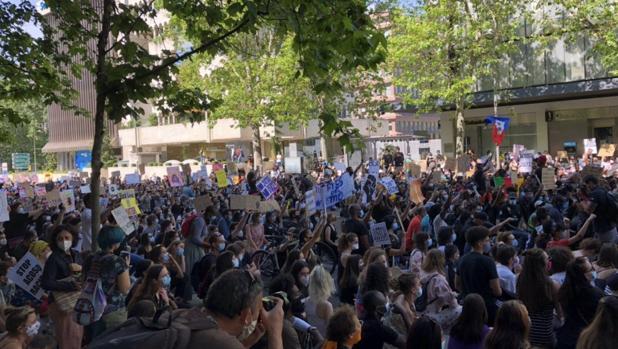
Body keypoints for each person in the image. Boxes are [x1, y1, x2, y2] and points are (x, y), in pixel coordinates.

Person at [189, 269, 284, 349]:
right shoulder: (224, 344)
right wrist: (275, 332)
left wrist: (245, 344)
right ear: (246, 316)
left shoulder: (185, 315)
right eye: (259, 309)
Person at [41, 225, 83, 349]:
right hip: (62, 305)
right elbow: (46, 282)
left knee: (76, 336)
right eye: (60, 238)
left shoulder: (76, 254)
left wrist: (80, 269)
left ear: (73, 239)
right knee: (66, 338)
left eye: (66, 237)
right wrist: (70, 285)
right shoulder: (54, 259)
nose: (64, 241)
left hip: (76, 302)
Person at [86, 225, 131, 336]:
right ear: (115, 243)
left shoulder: (91, 257)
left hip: (91, 308)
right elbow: (125, 289)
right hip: (112, 311)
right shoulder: (117, 261)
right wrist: (127, 267)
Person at [516, 248, 561, 348]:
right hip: (545, 335)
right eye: (547, 259)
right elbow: (559, 312)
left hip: (526, 333)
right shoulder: (552, 285)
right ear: (542, 264)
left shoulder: (520, 280)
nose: (549, 261)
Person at [456, 226, 501, 324]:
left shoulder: (462, 259)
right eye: (487, 240)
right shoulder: (488, 261)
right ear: (480, 243)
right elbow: (497, 291)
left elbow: (457, 284)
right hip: (488, 308)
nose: (489, 243)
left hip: (468, 305)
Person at [556, 257, 604, 349]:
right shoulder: (595, 294)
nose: (594, 270)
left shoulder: (564, 291)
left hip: (567, 336)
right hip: (587, 337)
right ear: (583, 275)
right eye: (591, 269)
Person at [420, 249, 461, 333]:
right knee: (460, 310)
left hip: (422, 311)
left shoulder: (422, 273)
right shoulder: (438, 279)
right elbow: (452, 303)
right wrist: (453, 295)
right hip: (433, 315)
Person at [583, 174, 616, 243]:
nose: (586, 186)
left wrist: (581, 199)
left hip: (603, 228)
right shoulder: (603, 190)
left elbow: (588, 211)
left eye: (586, 183)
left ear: (591, 182)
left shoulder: (595, 193)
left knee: (604, 249)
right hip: (610, 225)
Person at [305, 265, 335, 338]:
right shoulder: (327, 306)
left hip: (311, 340)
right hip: (323, 341)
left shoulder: (306, 301)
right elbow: (331, 330)